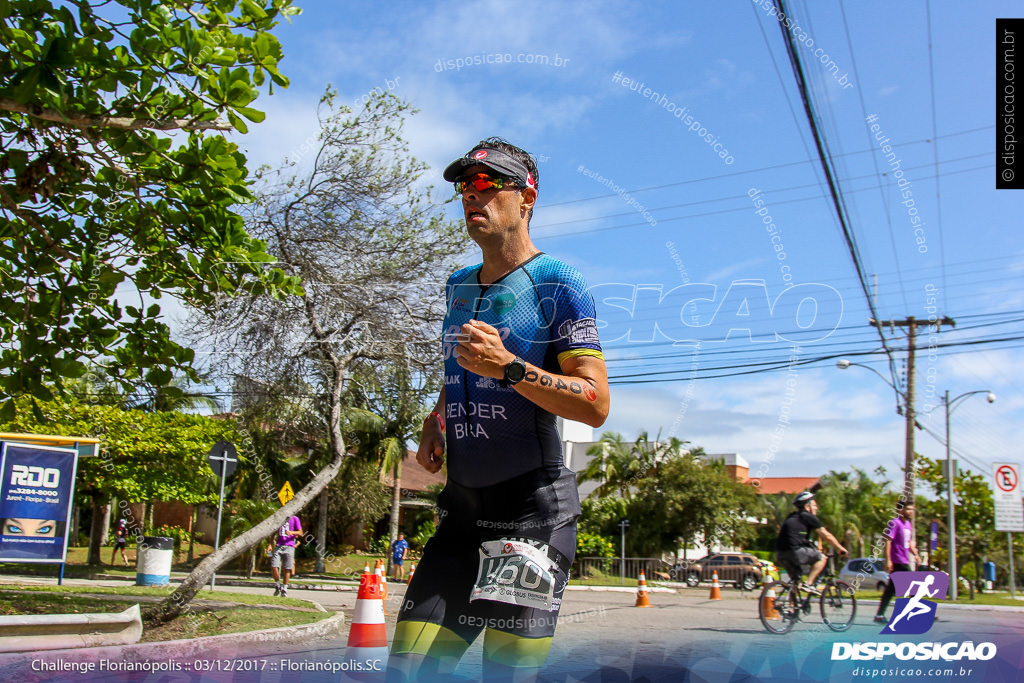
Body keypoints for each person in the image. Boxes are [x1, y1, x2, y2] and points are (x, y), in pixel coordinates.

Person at [389, 138, 610, 682]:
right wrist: (436, 417)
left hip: (531, 516)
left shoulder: (559, 283)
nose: (473, 196)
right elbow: (460, 367)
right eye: (466, 186)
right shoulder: (458, 285)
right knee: (409, 668)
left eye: (488, 184)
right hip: (461, 513)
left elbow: (596, 403)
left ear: (526, 197)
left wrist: (510, 367)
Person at [775, 491, 847, 593]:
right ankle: (808, 584)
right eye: (814, 505)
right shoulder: (808, 516)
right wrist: (840, 548)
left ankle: (791, 606)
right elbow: (825, 534)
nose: (816, 508)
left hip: (780, 554)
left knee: (795, 582)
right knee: (821, 557)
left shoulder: (791, 516)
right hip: (795, 552)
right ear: (807, 506)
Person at [874, 501, 920, 623]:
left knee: (890, 590)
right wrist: (888, 560)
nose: (911, 512)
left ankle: (879, 615)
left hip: (904, 559)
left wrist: (915, 554)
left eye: (912, 509)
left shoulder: (908, 524)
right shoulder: (895, 523)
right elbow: (888, 541)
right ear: (901, 510)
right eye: (909, 509)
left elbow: (908, 541)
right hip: (898, 560)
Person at [269, 513, 302, 597]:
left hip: (289, 546)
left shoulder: (295, 518)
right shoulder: (280, 517)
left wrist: (292, 532)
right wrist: (270, 544)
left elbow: (300, 533)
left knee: (287, 568)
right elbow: (273, 532)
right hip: (278, 545)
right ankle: (278, 585)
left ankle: (285, 588)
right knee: (274, 565)